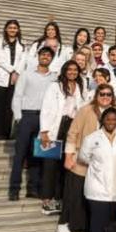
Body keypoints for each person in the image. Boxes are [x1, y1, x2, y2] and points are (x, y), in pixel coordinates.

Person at [58, 84, 116, 232]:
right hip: (81, 160)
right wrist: (68, 155)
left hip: (102, 164)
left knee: (93, 196)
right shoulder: (86, 110)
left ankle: (86, 225)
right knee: (74, 193)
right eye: (102, 94)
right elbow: (72, 133)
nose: (105, 97)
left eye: (108, 94)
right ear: (97, 95)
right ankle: (65, 222)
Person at [39, 60, 89, 216]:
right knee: (50, 165)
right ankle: (47, 200)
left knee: (65, 165)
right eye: (70, 69)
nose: (72, 72)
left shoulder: (81, 86)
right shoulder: (55, 86)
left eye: (75, 70)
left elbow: (83, 106)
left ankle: (59, 198)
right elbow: (46, 107)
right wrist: (44, 130)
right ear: (64, 70)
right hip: (56, 127)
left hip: (72, 126)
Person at [80, 106, 116, 232]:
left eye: (114, 119)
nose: (111, 122)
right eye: (108, 119)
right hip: (97, 187)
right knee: (98, 224)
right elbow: (83, 157)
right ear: (102, 120)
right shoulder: (92, 138)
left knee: (112, 223)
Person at [8, 46, 56, 200]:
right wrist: (18, 117)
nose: (45, 57)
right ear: (38, 56)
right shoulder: (27, 74)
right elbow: (17, 96)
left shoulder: (54, 77)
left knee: (37, 155)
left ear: (51, 59)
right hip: (27, 116)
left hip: (44, 119)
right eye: (43, 54)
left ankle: (33, 188)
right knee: (20, 154)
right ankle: (14, 189)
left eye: (48, 55)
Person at [0, 19, 24, 140]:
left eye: (15, 28)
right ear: (6, 29)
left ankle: (5, 132)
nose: (12, 30)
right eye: (10, 28)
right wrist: (12, 70)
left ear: (18, 30)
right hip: (1, 76)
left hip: (15, 79)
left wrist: (17, 72)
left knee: (10, 106)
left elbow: (23, 60)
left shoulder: (22, 44)